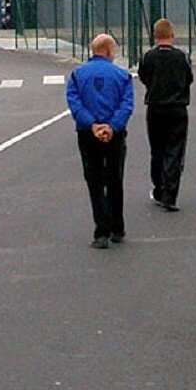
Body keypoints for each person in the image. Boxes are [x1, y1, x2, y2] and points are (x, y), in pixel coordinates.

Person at [66, 33, 135, 249]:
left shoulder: (77, 75)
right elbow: (126, 105)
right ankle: (117, 226)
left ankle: (101, 231)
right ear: (108, 51)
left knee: (94, 180)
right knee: (115, 178)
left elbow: (74, 102)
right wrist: (111, 126)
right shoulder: (122, 76)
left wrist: (92, 125)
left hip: (88, 133)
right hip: (114, 133)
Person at [138, 18, 194, 212]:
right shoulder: (182, 57)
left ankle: (159, 188)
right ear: (172, 35)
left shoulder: (147, 57)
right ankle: (170, 194)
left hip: (155, 108)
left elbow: (144, 78)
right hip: (177, 108)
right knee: (175, 151)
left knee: (157, 150)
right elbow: (189, 79)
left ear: (155, 36)